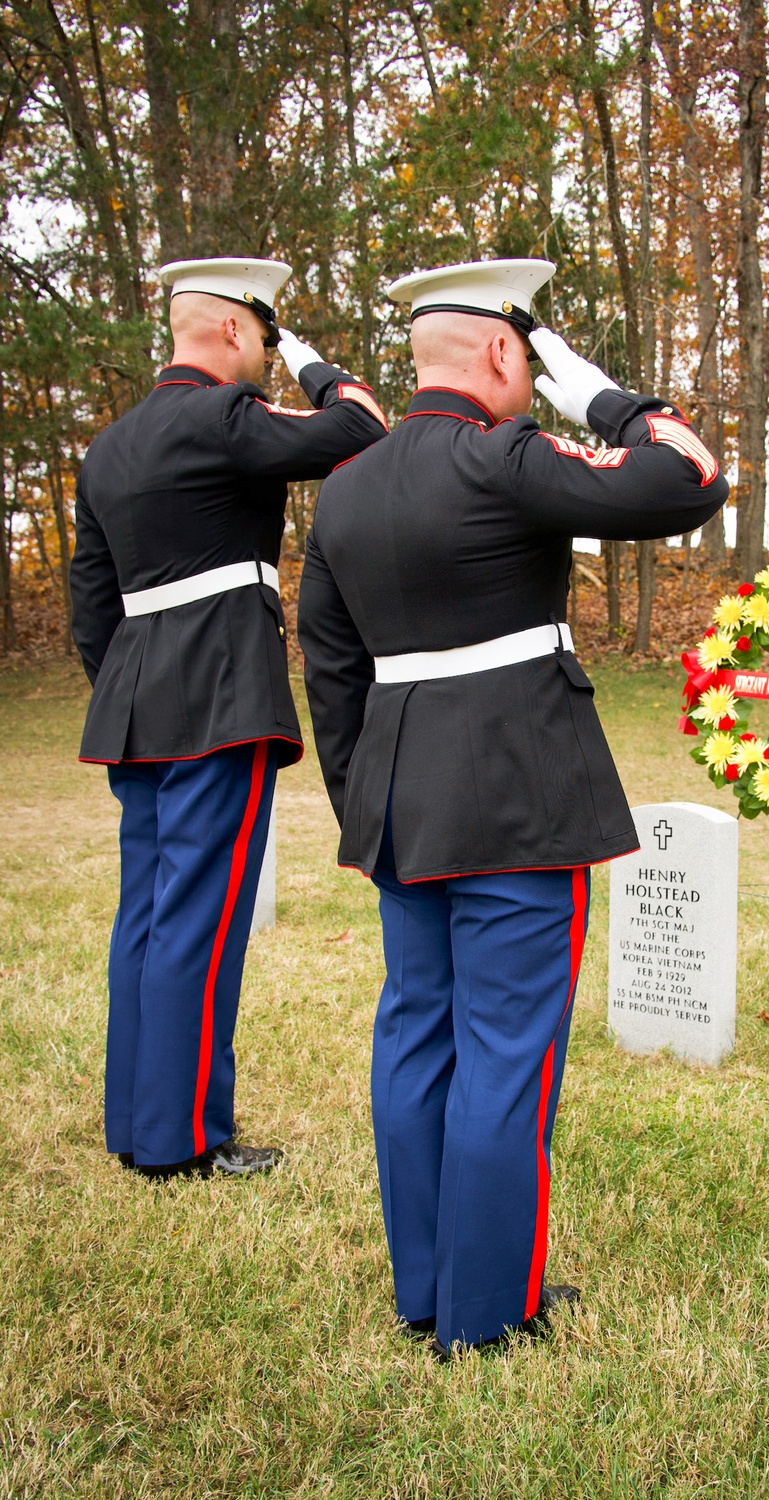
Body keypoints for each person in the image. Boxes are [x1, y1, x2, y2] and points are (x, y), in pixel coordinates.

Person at [296, 258, 729, 1356]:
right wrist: (599, 396)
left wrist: (366, 806)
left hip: (402, 806)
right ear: (503, 352)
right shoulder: (507, 459)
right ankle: (487, 1313)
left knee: (418, 1040)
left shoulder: (342, 488)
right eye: (526, 361)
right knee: (505, 1051)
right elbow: (689, 481)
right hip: (519, 798)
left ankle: (426, 1291)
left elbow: (331, 667)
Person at [70, 256, 388, 1180]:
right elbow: (359, 430)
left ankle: (135, 1121)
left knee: (148, 915)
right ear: (231, 332)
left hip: (136, 698)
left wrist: (126, 684)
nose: (264, 356)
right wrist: (318, 367)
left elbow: (94, 606)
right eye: (263, 337)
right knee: (200, 923)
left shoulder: (110, 446)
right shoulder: (223, 417)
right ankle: (181, 1141)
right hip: (216, 694)